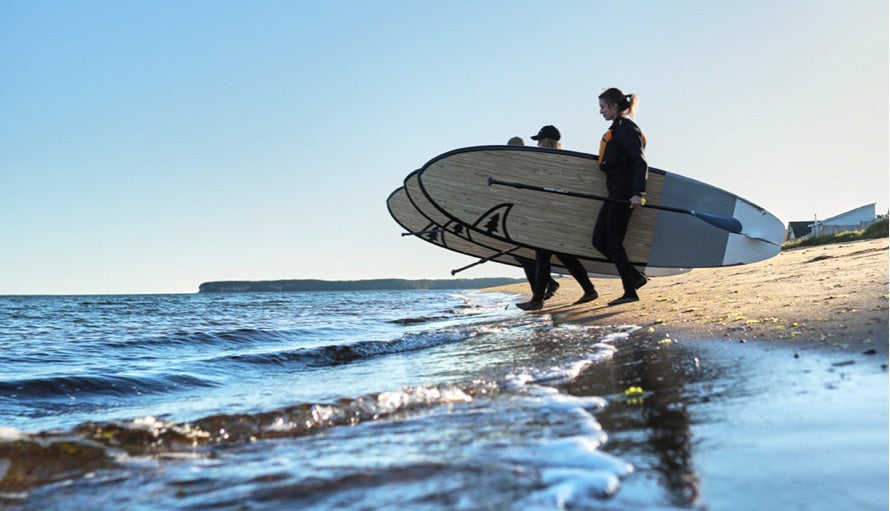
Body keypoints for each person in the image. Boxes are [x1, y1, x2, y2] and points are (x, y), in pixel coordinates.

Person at [516, 125, 598, 311]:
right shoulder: (560, 160)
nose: (537, 144)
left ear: (547, 140)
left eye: (539, 140)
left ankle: (537, 299)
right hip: (554, 216)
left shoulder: (552, 162)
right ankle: (589, 290)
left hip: (554, 217)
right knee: (565, 256)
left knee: (542, 254)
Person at [593, 88, 650, 305]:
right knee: (599, 241)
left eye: (603, 107)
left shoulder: (627, 129)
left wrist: (638, 193)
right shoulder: (616, 130)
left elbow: (640, 161)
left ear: (614, 107)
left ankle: (630, 291)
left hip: (625, 193)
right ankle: (635, 278)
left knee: (613, 242)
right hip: (614, 193)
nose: (601, 112)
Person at [507, 136, 560, 301]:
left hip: (536, 216)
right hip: (527, 214)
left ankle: (540, 293)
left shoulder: (527, 162)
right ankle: (544, 287)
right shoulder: (523, 163)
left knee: (529, 256)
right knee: (525, 256)